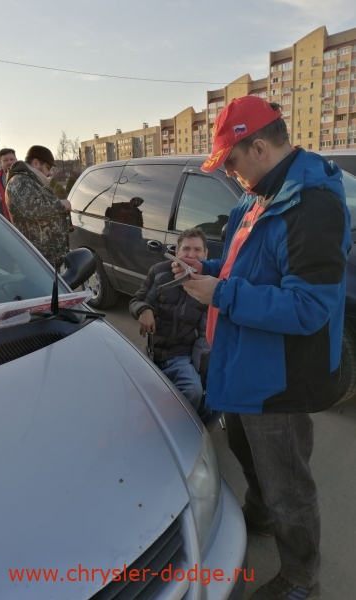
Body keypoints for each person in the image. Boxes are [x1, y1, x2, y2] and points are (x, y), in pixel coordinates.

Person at [173, 96, 351, 600]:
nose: (230, 172)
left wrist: (222, 294)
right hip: (243, 363)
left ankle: (300, 579)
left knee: (288, 485)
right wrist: (205, 270)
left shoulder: (312, 206)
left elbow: (309, 307)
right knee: (246, 450)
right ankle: (262, 512)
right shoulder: (257, 197)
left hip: (279, 378)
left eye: (231, 161)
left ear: (258, 147)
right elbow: (240, 267)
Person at [129, 228, 210, 411]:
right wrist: (144, 309)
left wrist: (200, 370)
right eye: (186, 249)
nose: (191, 254)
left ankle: (182, 424)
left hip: (182, 357)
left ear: (206, 254)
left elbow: (206, 334)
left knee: (195, 391)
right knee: (129, 391)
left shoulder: (209, 285)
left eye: (197, 250)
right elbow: (137, 301)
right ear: (177, 251)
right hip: (153, 352)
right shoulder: (159, 272)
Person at [5, 145, 70, 269]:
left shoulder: (33, 182)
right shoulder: (19, 181)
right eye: (48, 168)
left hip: (46, 261)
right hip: (36, 261)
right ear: (35, 163)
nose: (50, 172)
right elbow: (33, 209)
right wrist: (61, 205)